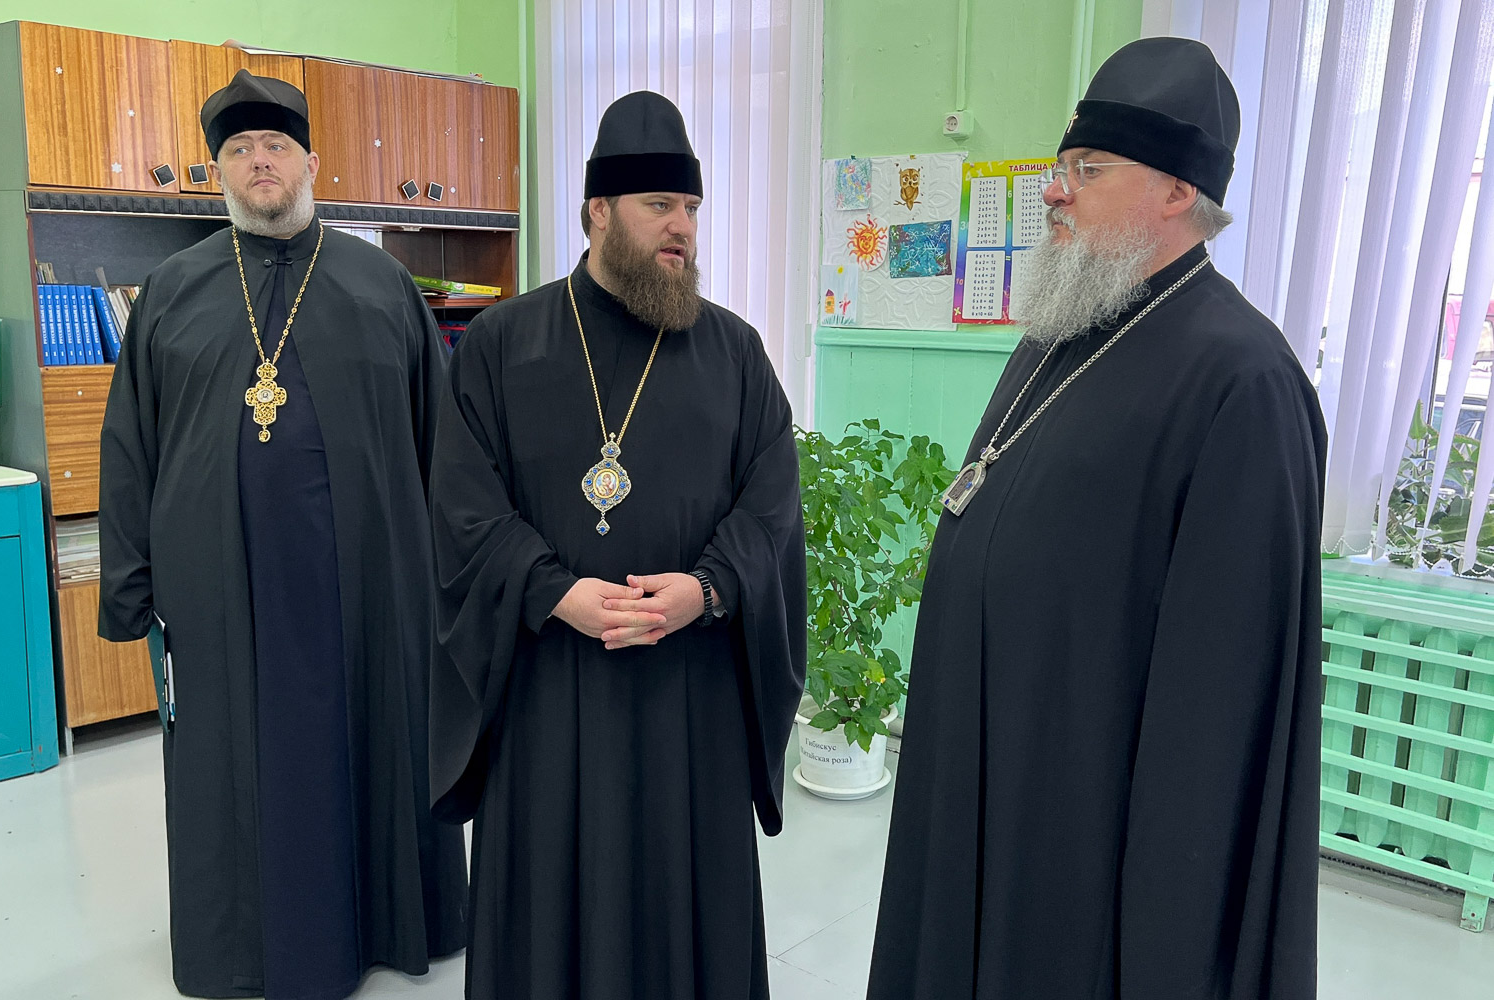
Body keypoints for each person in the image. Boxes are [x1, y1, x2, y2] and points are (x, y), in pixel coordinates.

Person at [867, 38, 1326, 1000]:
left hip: (1083, 818)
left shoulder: (1245, 380)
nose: (1052, 191)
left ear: (1177, 191)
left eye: (1087, 169)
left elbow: (1222, 697)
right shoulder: (1062, 327)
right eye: (1060, 166)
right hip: (983, 765)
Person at [426, 90, 806, 999]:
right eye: (659, 205)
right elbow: (462, 503)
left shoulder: (735, 352)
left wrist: (705, 589)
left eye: (691, 208)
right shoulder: (500, 343)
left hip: (690, 690)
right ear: (598, 209)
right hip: (551, 683)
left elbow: (771, 505)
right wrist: (552, 589)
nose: (683, 229)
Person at [98, 69, 467, 999]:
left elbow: (443, 445)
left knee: (373, 743)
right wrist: (131, 588)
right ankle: (243, 950)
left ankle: (385, 926)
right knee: (231, 767)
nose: (259, 161)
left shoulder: (384, 287)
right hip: (218, 588)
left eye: (275, 145)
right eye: (238, 148)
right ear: (218, 171)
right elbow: (130, 447)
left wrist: (455, 582)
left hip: (370, 584)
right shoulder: (170, 293)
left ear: (311, 161)